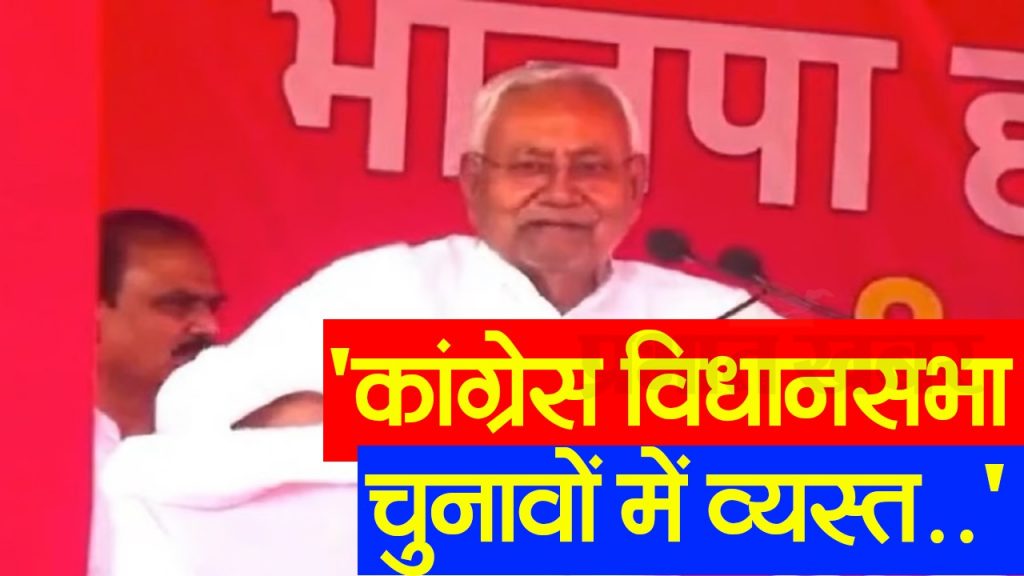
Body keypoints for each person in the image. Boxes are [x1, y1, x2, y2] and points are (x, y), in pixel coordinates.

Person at [154, 62, 781, 435]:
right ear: (474, 182)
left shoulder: (715, 321)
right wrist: (380, 414)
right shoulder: (385, 290)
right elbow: (192, 407)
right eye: (530, 166)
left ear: (636, 185)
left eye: (591, 168)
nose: (561, 192)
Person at [93, 209, 223, 575]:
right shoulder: (28, 457)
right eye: (177, 305)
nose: (208, 326)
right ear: (93, 313)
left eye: (211, 306)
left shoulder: (235, 437)